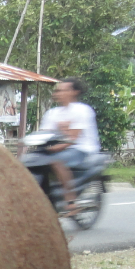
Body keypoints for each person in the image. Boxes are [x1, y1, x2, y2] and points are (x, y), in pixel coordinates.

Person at [37, 77, 100, 211]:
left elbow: (72, 138)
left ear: (74, 92)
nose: (57, 94)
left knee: (56, 161)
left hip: (80, 149)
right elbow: (43, 133)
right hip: (58, 148)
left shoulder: (82, 110)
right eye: (57, 91)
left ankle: (70, 199)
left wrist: (53, 149)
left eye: (62, 90)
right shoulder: (52, 113)